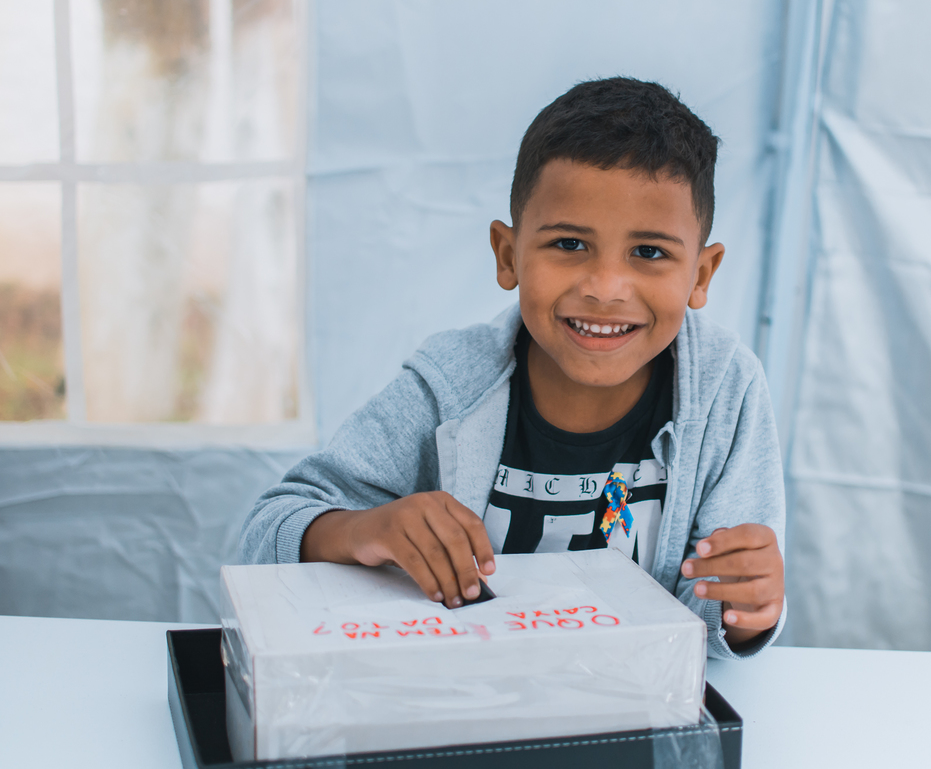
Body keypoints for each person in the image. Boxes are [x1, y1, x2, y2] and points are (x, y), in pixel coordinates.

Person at [239, 77, 786, 658]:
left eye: (649, 252)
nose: (605, 290)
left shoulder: (727, 390)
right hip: (466, 703)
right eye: (570, 244)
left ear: (701, 275)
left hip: (632, 708)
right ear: (508, 255)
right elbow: (265, 535)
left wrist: (748, 607)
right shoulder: (449, 386)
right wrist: (362, 531)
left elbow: (716, 621)